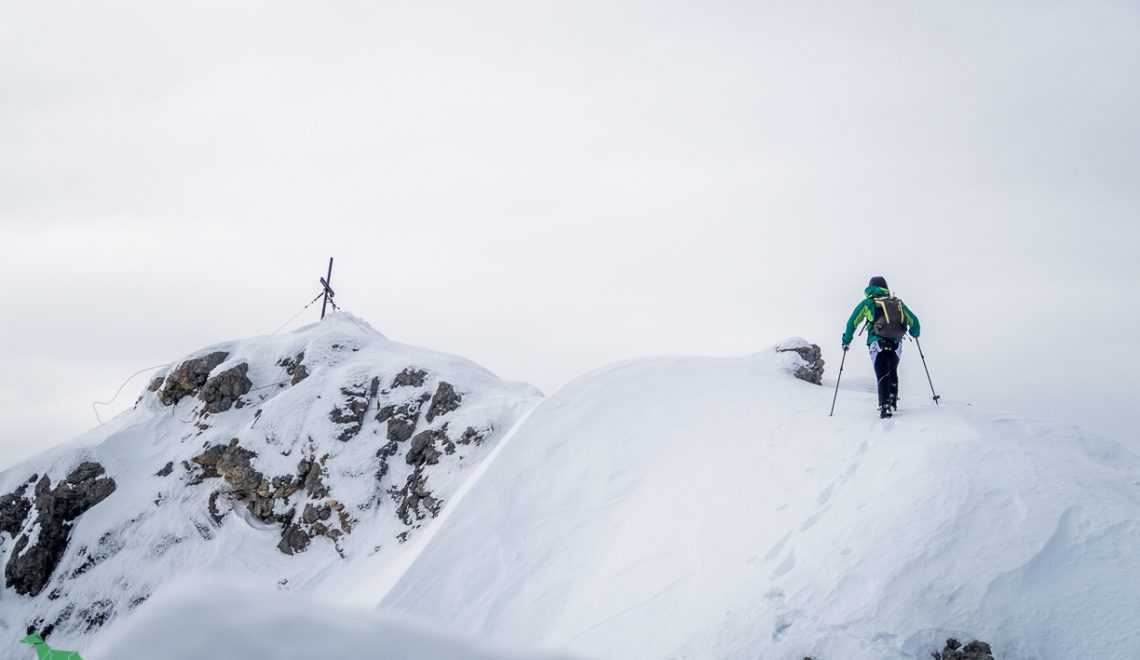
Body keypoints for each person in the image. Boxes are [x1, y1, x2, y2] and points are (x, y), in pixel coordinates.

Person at [841, 276, 921, 418]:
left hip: (876, 341)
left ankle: (885, 406)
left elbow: (852, 322)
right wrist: (915, 333)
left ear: (870, 287)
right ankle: (892, 401)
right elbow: (914, 321)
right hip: (896, 342)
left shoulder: (868, 303)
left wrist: (846, 340)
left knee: (881, 370)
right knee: (892, 369)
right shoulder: (897, 303)